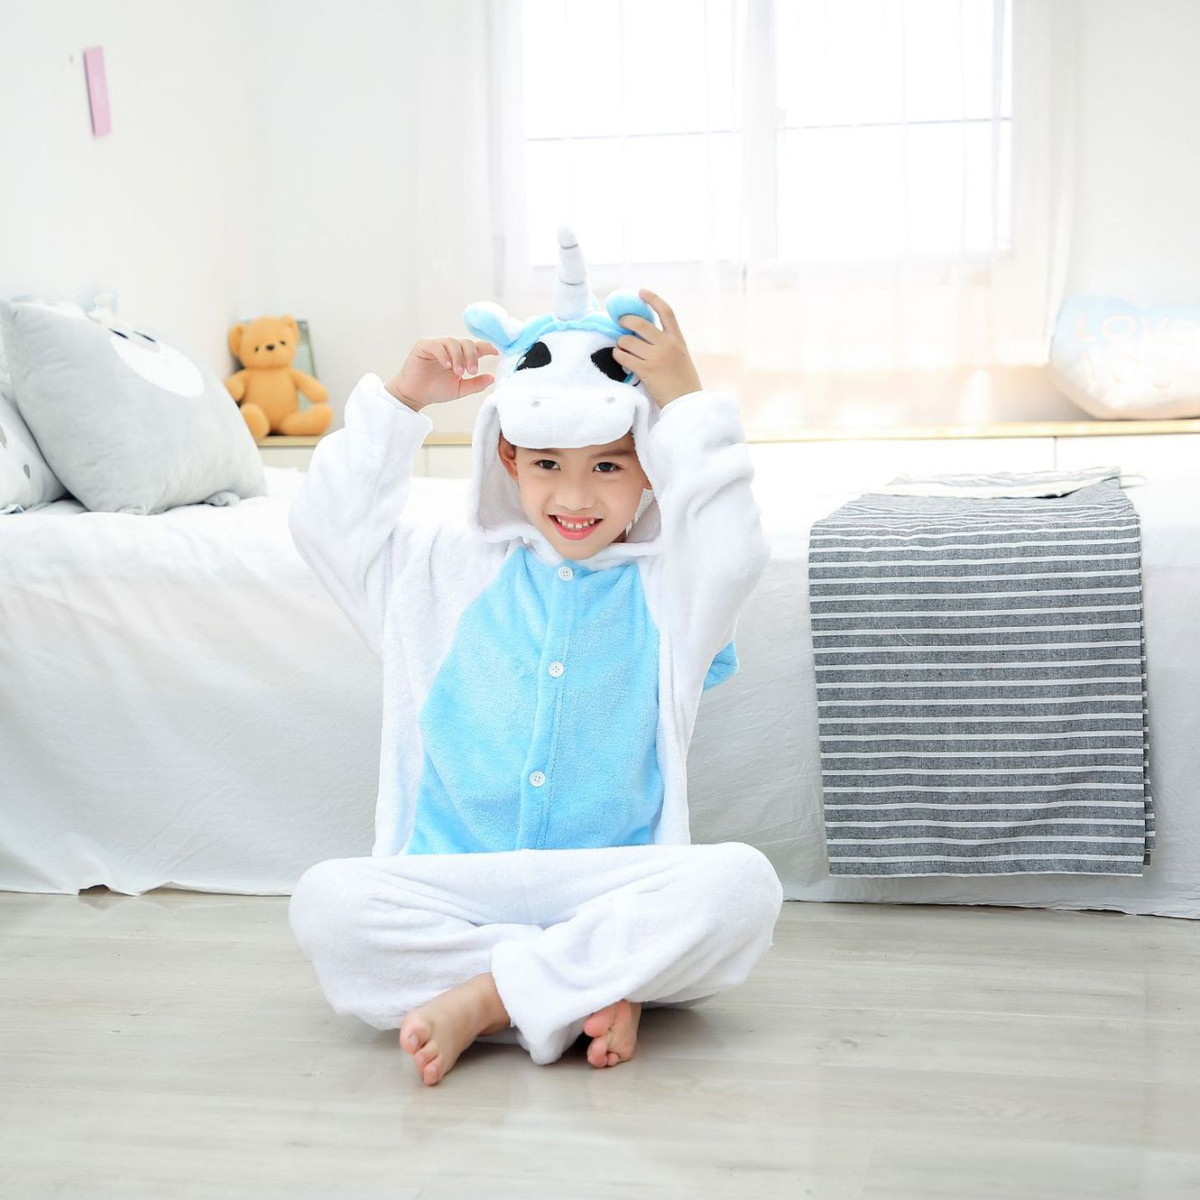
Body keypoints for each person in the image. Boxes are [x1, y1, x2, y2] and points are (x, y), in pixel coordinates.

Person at [288, 235, 782, 1086]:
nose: (576, 496)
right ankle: (591, 980)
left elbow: (735, 550)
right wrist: (403, 401)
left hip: (608, 884)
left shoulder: (673, 587)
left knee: (743, 888)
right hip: (454, 881)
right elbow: (327, 529)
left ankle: (487, 997)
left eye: (608, 466)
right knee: (327, 904)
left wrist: (687, 401)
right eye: (547, 464)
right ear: (508, 458)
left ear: (652, 470)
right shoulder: (436, 573)